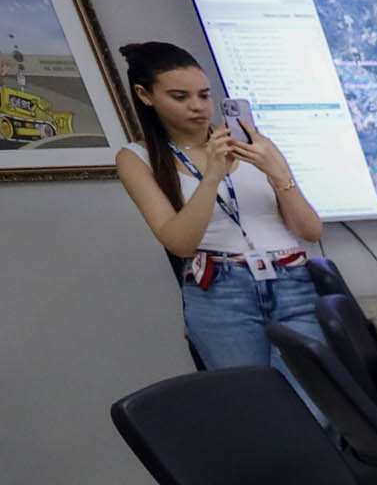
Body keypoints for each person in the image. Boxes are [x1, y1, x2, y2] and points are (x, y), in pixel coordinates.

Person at [113, 41, 326, 376]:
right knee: (254, 404)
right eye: (180, 97)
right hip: (221, 288)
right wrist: (212, 174)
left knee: (321, 402)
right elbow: (179, 243)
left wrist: (278, 173)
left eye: (204, 94)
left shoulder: (252, 143)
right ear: (145, 95)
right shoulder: (136, 158)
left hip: (290, 277)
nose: (198, 106)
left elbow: (311, 231)